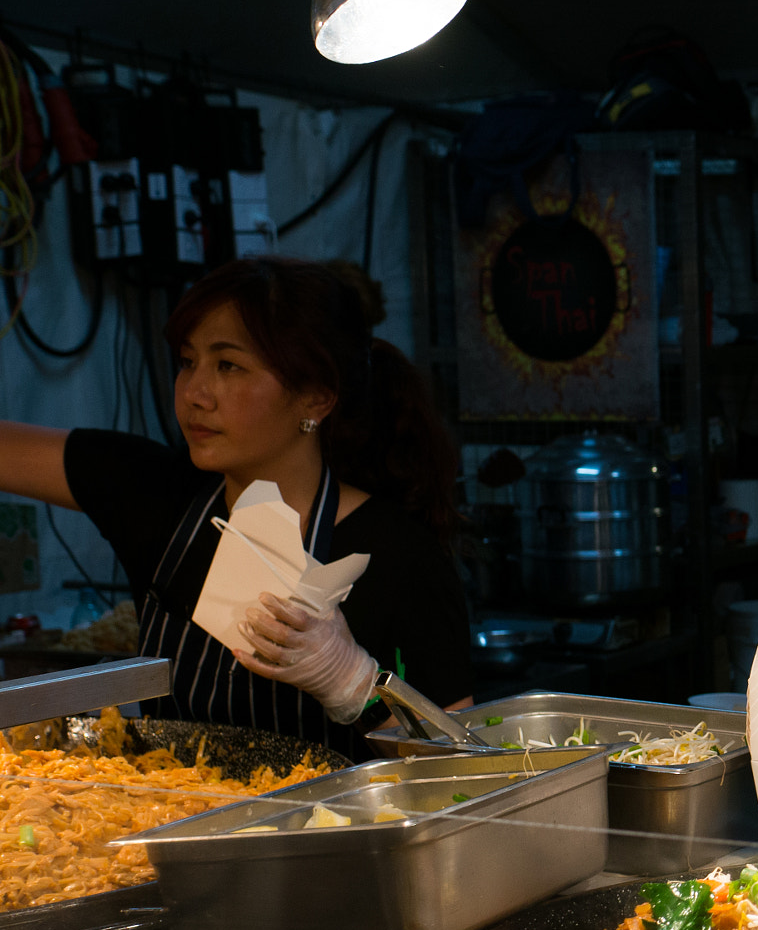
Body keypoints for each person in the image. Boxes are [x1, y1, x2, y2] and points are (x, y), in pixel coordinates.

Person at [0, 257, 472, 758]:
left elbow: (460, 771)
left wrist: (354, 687)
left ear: (315, 397)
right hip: (177, 821)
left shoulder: (400, 553)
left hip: (331, 833)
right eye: (187, 361)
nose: (195, 394)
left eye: (228, 365)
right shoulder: (156, 495)